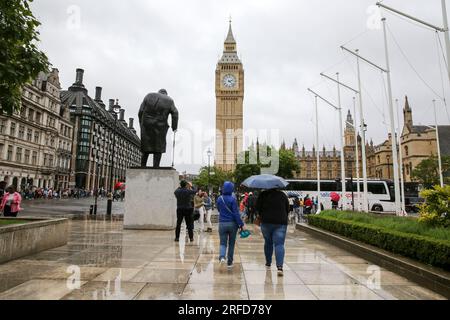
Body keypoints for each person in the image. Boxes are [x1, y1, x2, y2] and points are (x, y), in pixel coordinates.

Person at [256, 188, 290, 276]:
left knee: (268, 243)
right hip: (281, 222)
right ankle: (280, 267)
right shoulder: (283, 195)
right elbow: (288, 209)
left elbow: (257, 208)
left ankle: (268, 263)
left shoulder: (263, 195)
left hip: (266, 222)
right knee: (279, 244)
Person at [216, 181, 246, 268]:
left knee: (222, 242)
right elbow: (236, 214)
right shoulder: (233, 199)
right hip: (233, 224)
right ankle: (229, 262)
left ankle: (222, 257)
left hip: (222, 223)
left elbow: (218, 209)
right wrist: (241, 224)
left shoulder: (219, 198)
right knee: (231, 244)